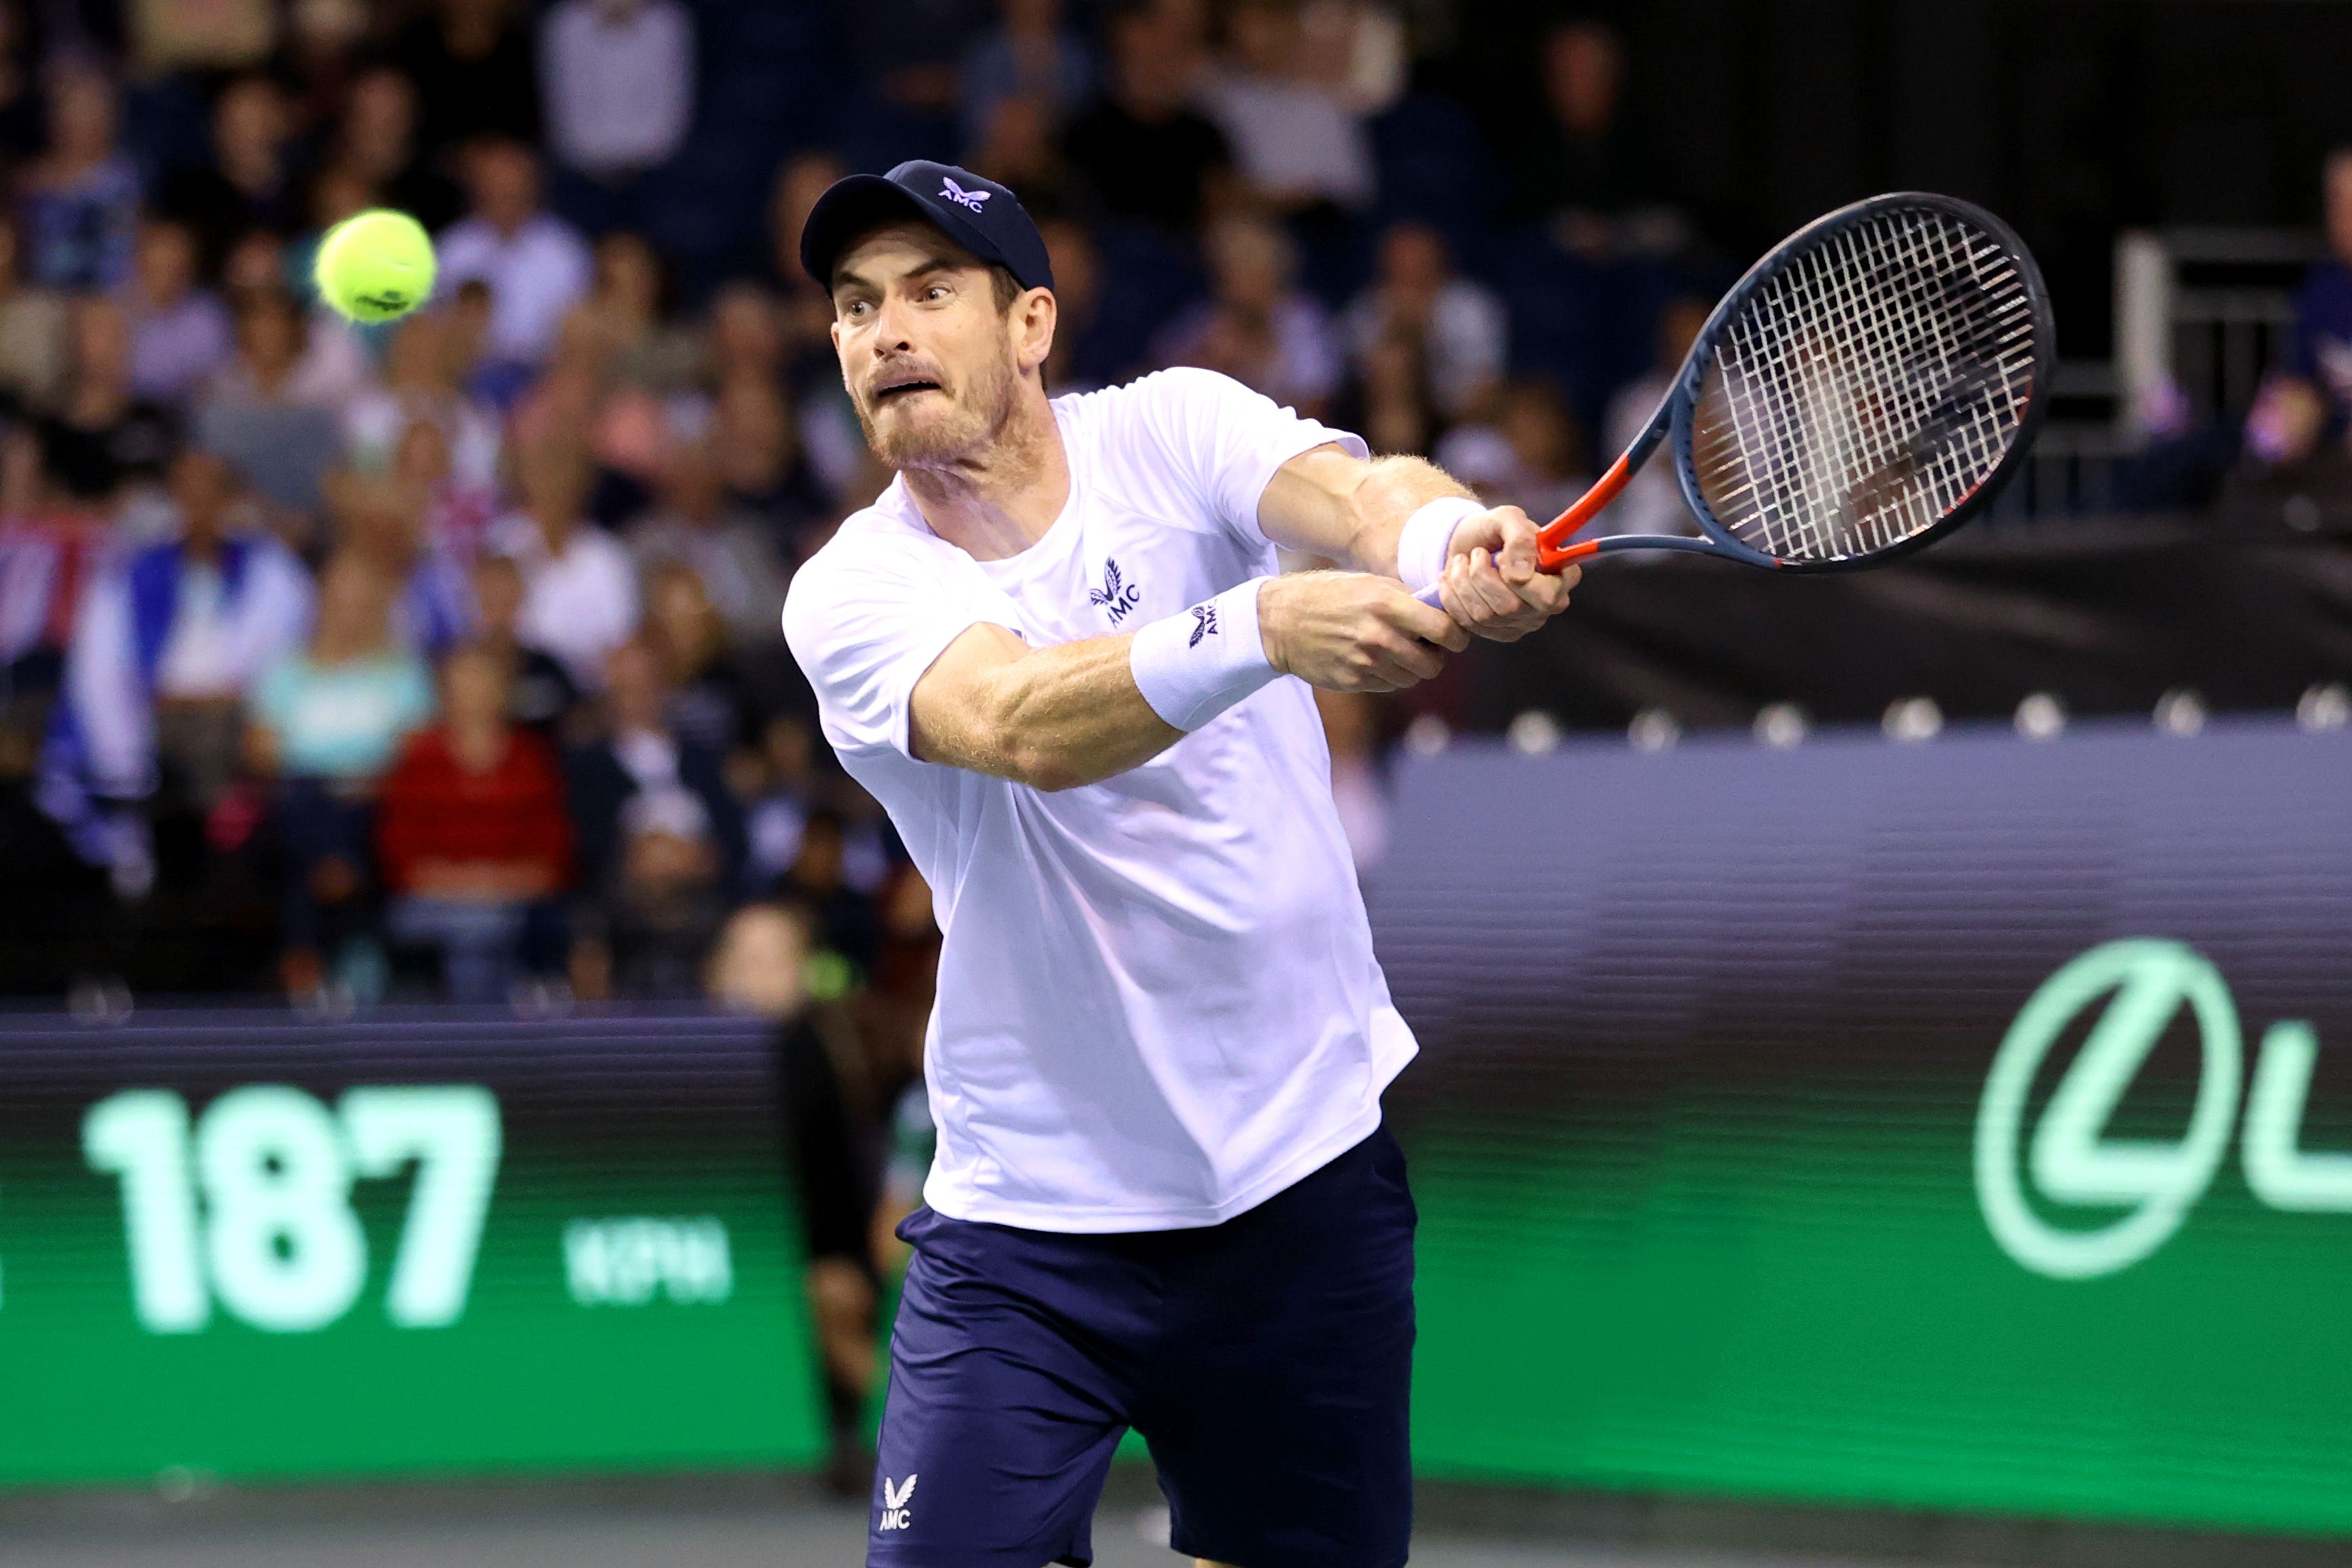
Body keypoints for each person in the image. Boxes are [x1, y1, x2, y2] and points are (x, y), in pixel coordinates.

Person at [784, 159, 1570, 1568]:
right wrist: (1260, 625)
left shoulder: (1172, 427)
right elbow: (1018, 720)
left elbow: (1357, 493)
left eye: (926, 291)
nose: (884, 330)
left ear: (1029, 324)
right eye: (853, 307)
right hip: (1032, 1228)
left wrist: (1453, 542)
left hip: (1300, 1180)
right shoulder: (853, 586)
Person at [246, 551, 436, 998]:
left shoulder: (405, 673)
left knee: (346, 814)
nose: (351, 613)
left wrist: (358, 778)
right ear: (321, 603)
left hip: (375, 798)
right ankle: (347, 922)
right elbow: (259, 751)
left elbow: (415, 752)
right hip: (300, 798)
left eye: (362, 602)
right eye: (341, 600)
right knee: (309, 799)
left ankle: (304, 953)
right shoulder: (284, 670)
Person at [376, 642, 572, 1002]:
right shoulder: (418, 762)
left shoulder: (532, 761)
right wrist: (475, 887)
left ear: (505, 691)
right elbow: (402, 864)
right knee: (479, 928)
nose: (475, 694)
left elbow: (553, 860)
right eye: (464, 683)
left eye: (485, 682)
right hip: (429, 905)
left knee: (499, 924)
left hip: (518, 901)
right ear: (444, 693)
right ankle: (482, 1043)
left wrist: (492, 886)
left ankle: (488, 1040)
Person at [1152, 213, 1343, 416]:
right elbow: (1163, 390)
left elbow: (1317, 404)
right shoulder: (1204, 320)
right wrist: (1212, 363)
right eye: (1230, 270)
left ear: (1275, 273)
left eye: (1249, 268)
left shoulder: (1302, 321)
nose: (1236, 282)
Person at [486, 437, 639, 686]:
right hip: (517, 684)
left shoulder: (606, 557)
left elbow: (622, 643)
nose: (552, 487)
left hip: (586, 694)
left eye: (562, 477)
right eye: (543, 475)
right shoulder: (504, 543)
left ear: (582, 488)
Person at [436, 137, 594, 370]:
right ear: (477, 188)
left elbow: (579, 334)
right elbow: (437, 326)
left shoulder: (565, 251)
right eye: (494, 184)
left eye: (511, 184)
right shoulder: (452, 249)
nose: (503, 192)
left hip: (545, 374)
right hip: (468, 372)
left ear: (532, 184)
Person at [119, 217, 234, 406]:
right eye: (159, 257)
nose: (167, 266)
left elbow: (211, 388)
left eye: (175, 258)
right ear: (139, 257)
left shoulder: (208, 317)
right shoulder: (111, 311)